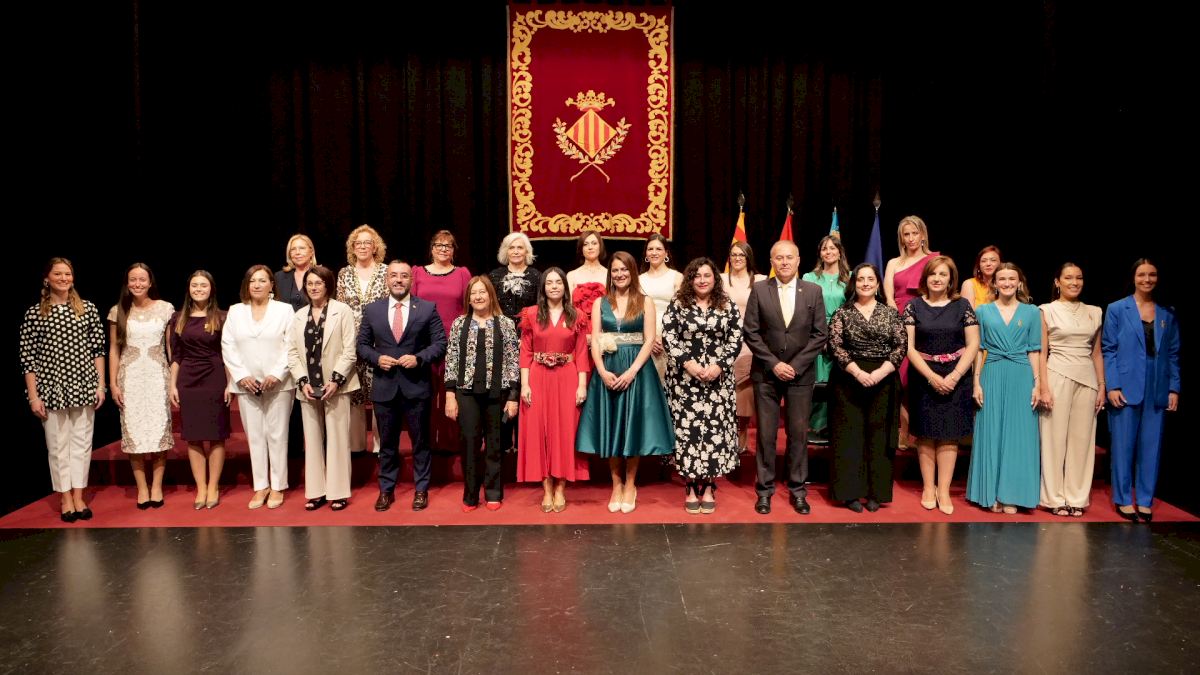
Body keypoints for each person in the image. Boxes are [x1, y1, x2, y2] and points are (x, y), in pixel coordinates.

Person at [577, 252, 673, 513]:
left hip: (637, 371)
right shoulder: (600, 303)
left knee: (633, 426)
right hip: (608, 370)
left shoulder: (645, 301)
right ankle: (616, 484)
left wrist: (632, 371)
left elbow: (649, 339)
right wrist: (601, 370)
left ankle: (630, 484)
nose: (619, 274)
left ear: (632, 272)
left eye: (624, 270)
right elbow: (595, 338)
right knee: (610, 425)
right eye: (615, 270)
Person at [742, 240, 829, 515]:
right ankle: (764, 490)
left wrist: (796, 365)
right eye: (779, 258)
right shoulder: (759, 290)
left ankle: (797, 490)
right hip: (767, 374)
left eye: (789, 257)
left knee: (798, 434)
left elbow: (820, 334)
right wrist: (775, 364)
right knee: (766, 434)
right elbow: (751, 332)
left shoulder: (813, 291)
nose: (784, 262)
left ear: (798, 260)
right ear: (772, 262)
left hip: (800, 375)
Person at [19, 257, 106, 522]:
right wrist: (33, 396)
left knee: (82, 443)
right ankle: (65, 496)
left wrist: (100, 385)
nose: (63, 278)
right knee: (58, 445)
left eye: (67, 274)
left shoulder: (87, 309)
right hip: (51, 388)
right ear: (47, 278)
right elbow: (27, 359)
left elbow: (98, 350)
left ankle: (79, 495)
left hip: (83, 384)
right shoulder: (35, 313)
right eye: (58, 274)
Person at [357, 260, 447, 512]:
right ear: (386, 279)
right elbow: (362, 345)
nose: (398, 280)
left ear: (411, 280)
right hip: (384, 387)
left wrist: (419, 358)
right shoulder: (372, 310)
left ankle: (421, 489)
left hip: (416, 386)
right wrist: (377, 358)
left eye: (404, 276)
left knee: (420, 442)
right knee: (387, 444)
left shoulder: (427, 308)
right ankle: (386, 490)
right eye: (394, 275)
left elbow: (440, 343)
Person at [1102, 258, 1181, 522]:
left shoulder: (1167, 312)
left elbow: (1173, 353)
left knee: (1151, 445)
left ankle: (1145, 500)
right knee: (1123, 445)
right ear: (1133, 277)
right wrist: (1112, 385)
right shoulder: (1117, 308)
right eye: (1142, 274)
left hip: (1157, 384)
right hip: (1126, 383)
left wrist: (1174, 388)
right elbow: (1108, 349)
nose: (1147, 279)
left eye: (1152, 274)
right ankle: (1124, 499)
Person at [662, 257, 743, 514]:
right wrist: (689, 364)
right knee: (687, 433)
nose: (702, 280)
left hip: (718, 381)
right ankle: (689, 485)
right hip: (684, 381)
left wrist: (719, 365)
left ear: (715, 279)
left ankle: (708, 486)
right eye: (697, 276)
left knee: (713, 433)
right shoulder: (678, 303)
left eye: (707, 275)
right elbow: (669, 336)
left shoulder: (727, 304)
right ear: (690, 279)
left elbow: (735, 338)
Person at [902, 256, 980, 515]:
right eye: (933, 274)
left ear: (950, 279)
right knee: (925, 434)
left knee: (949, 434)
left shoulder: (963, 306)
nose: (937, 279)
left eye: (943, 274)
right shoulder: (913, 306)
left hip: (956, 377)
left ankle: (943, 490)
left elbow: (973, 344)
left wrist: (955, 376)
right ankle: (928, 487)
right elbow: (908, 347)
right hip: (923, 376)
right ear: (925, 278)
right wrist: (932, 377)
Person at [828, 263, 906, 512]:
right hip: (849, 379)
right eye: (860, 279)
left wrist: (880, 373)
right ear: (854, 283)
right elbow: (835, 346)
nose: (865, 283)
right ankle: (850, 493)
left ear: (877, 283)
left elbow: (900, 346)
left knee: (879, 437)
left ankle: (876, 493)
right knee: (849, 436)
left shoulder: (890, 313)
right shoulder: (842, 313)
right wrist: (858, 373)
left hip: (884, 379)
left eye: (870, 279)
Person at [967, 263, 1043, 514]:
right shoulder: (983, 311)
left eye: (1012, 278)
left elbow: (1034, 350)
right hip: (992, 372)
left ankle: (1012, 494)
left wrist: (1037, 384)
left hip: (1021, 374)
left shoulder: (1032, 312)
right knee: (991, 432)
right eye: (1002, 279)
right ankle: (990, 493)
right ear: (994, 283)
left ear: (1019, 282)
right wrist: (976, 382)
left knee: (1018, 435)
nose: (1007, 283)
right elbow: (978, 349)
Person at [221, 265, 296, 510]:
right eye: (253, 280)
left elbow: (291, 344)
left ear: (271, 284)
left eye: (262, 280)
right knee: (255, 436)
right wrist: (242, 376)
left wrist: (277, 373)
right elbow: (228, 345)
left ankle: (278, 486)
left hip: (278, 383)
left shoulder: (284, 310)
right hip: (246, 384)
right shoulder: (236, 311)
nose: (257, 285)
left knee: (277, 435)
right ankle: (261, 486)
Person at [288, 265, 360, 512]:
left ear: (328, 285)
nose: (314, 287)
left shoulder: (342, 311)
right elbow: (292, 353)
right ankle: (316, 492)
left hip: (336, 386)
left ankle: (338, 492)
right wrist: (302, 381)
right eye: (309, 283)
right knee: (312, 441)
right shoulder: (299, 315)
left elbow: (350, 350)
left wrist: (336, 380)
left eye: (318, 283)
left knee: (338, 440)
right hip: (308, 387)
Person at [444, 276, 520, 512]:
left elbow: (512, 360)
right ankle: (470, 495)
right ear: (468, 298)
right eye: (473, 293)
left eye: (482, 292)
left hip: (498, 393)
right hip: (466, 393)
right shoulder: (459, 324)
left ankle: (494, 492)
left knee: (495, 444)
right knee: (470, 443)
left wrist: (513, 396)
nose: (478, 297)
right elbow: (452, 359)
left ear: (490, 295)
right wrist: (449, 395)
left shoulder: (505, 323)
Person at [517, 268, 590, 513]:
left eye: (558, 282)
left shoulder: (577, 315)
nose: (554, 286)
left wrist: (582, 385)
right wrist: (525, 384)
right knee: (540, 432)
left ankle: (561, 488)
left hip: (567, 377)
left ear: (565, 287)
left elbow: (582, 352)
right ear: (543, 287)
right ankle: (546, 488)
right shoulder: (531, 314)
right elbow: (526, 352)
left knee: (564, 431)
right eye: (549, 283)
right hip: (537, 377)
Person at [1038, 263, 1104, 517]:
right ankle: (1054, 497)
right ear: (1058, 281)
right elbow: (1042, 352)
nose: (1074, 282)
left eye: (1079, 278)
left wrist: (1101, 385)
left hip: (1087, 378)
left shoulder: (1095, 312)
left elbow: (1096, 353)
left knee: (1082, 441)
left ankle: (1077, 497)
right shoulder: (1046, 310)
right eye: (1068, 278)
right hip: (1057, 374)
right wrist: (1043, 387)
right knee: (1053, 439)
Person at [108, 263, 175, 509]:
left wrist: (174, 381)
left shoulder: (165, 308)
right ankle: (142, 487)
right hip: (131, 378)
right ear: (127, 283)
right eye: (133, 280)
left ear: (150, 282)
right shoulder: (118, 311)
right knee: (134, 433)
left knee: (159, 432)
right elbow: (114, 350)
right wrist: (113, 384)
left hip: (158, 376)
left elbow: (171, 348)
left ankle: (156, 486)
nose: (137, 284)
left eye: (142, 279)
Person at [168, 270, 230, 510]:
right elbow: (176, 355)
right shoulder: (178, 318)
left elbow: (227, 353)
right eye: (195, 285)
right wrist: (172, 385)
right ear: (189, 289)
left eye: (203, 285)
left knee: (216, 434)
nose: (199, 289)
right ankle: (201, 488)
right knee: (193, 436)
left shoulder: (222, 317)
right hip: (188, 379)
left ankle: (213, 486)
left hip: (214, 376)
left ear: (211, 289)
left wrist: (230, 384)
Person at [411, 229, 472, 455]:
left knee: (452, 393)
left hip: (454, 342)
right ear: (432, 249)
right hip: (423, 343)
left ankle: (450, 443)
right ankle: (426, 443)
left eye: (448, 245)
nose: (443, 249)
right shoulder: (417, 273)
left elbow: (470, 306)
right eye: (439, 245)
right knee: (425, 394)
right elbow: (411, 306)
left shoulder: (463, 274)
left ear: (454, 250)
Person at [884, 215, 939, 447]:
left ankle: (921, 433)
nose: (911, 238)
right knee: (901, 379)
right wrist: (897, 322)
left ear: (923, 235)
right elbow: (888, 295)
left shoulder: (934, 260)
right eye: (906, 234)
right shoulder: (894, 263)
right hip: (898, 321)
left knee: (920, 379)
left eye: (915, 233)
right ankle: (903, 432)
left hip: (925, 320)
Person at [336, 224, 389, 455]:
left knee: (379, 394)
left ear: (375, 247)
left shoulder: (387, 271)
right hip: (350, 342)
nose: (363, 246)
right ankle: (356, 445)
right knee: (354, 393)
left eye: (368, 242)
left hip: (379, 342)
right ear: (352, 247)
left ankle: (379, 446)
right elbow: (339, 307)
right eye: (358, 243)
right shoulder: (344, 273)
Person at [488, 231, 539, 453]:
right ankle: (504, 443)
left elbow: (540, 310)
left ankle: (524, 444)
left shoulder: (537, 276)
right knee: (504, 391)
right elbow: (489, 307)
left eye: (520, 247)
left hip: (528, 341)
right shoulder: (494, 276)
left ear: (527, 251)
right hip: (500, 340)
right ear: (505, 251)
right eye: (512, 247)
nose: (516, 251)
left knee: (525, 390)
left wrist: (528, 337)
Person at [800, 235, 849, 442]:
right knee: (817, 381)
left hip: (844, 335)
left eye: (832, 248)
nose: (828, 252)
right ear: (820, 253)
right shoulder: (809, 277)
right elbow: (804, 309)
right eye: (824, 249)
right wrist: (819, 337)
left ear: (839, 252)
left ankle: (835, 426)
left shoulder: (850, 277)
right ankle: (816, 426)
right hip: (815, 334)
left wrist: (837, 338)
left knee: (838, 383)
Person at [720, 241, 767, 453]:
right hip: (723, 342)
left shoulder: (760, 280)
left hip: (750, 342)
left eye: (741, 255)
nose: (737, 258)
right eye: (734, 254)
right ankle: (723, 435)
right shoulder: (721, 280)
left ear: (748, 258)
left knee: (744, 393)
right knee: (723, 392)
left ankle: (742, 433)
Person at [639, 233, 683, 382]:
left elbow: (681, 311)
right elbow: (636, 312)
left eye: (658, 249)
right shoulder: (639, 280)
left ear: (666, 253)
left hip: (671, 334)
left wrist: (666, 338)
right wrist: (649, 339)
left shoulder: (677, 277)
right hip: (645, 336)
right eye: (650, 249)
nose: (654, 252)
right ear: (646, 254)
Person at [566, 230, 608, 337]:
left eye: (594, 243)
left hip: (604, 331)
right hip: (578, 330)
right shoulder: (571, 275)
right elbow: (568, 308)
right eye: (586, 244)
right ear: (581, 249)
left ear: (600, 246)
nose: (590, 247)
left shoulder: (609, 274)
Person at [275, 234, 318, 311]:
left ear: (311, 252)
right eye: (293, 249)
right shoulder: (279, 277)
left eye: (302, 248)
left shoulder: (322, 275)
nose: (297, 252)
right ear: (289, 254)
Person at [961, 245, 1001, 310]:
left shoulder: (1005, 284)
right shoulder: (970, 284)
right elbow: (968, 313)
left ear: (1000, 263)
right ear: (979, 265)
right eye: (983, 261)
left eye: (993, 260)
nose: (988, 264)